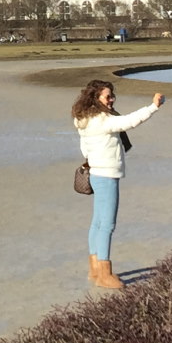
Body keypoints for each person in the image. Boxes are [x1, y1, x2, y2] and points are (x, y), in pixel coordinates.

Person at [72, 79, 162, 291]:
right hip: (106, 175)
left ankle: (95, 269)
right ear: (96, 98)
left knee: (97, 223)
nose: (111, 100)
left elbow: (85, 148)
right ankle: (104, 274)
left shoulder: (85, 119)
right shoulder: (102, 120)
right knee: (107, 225)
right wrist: (153, 107)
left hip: (97, 173)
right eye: (107, 96)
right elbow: (130, 121)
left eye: (112, 96)